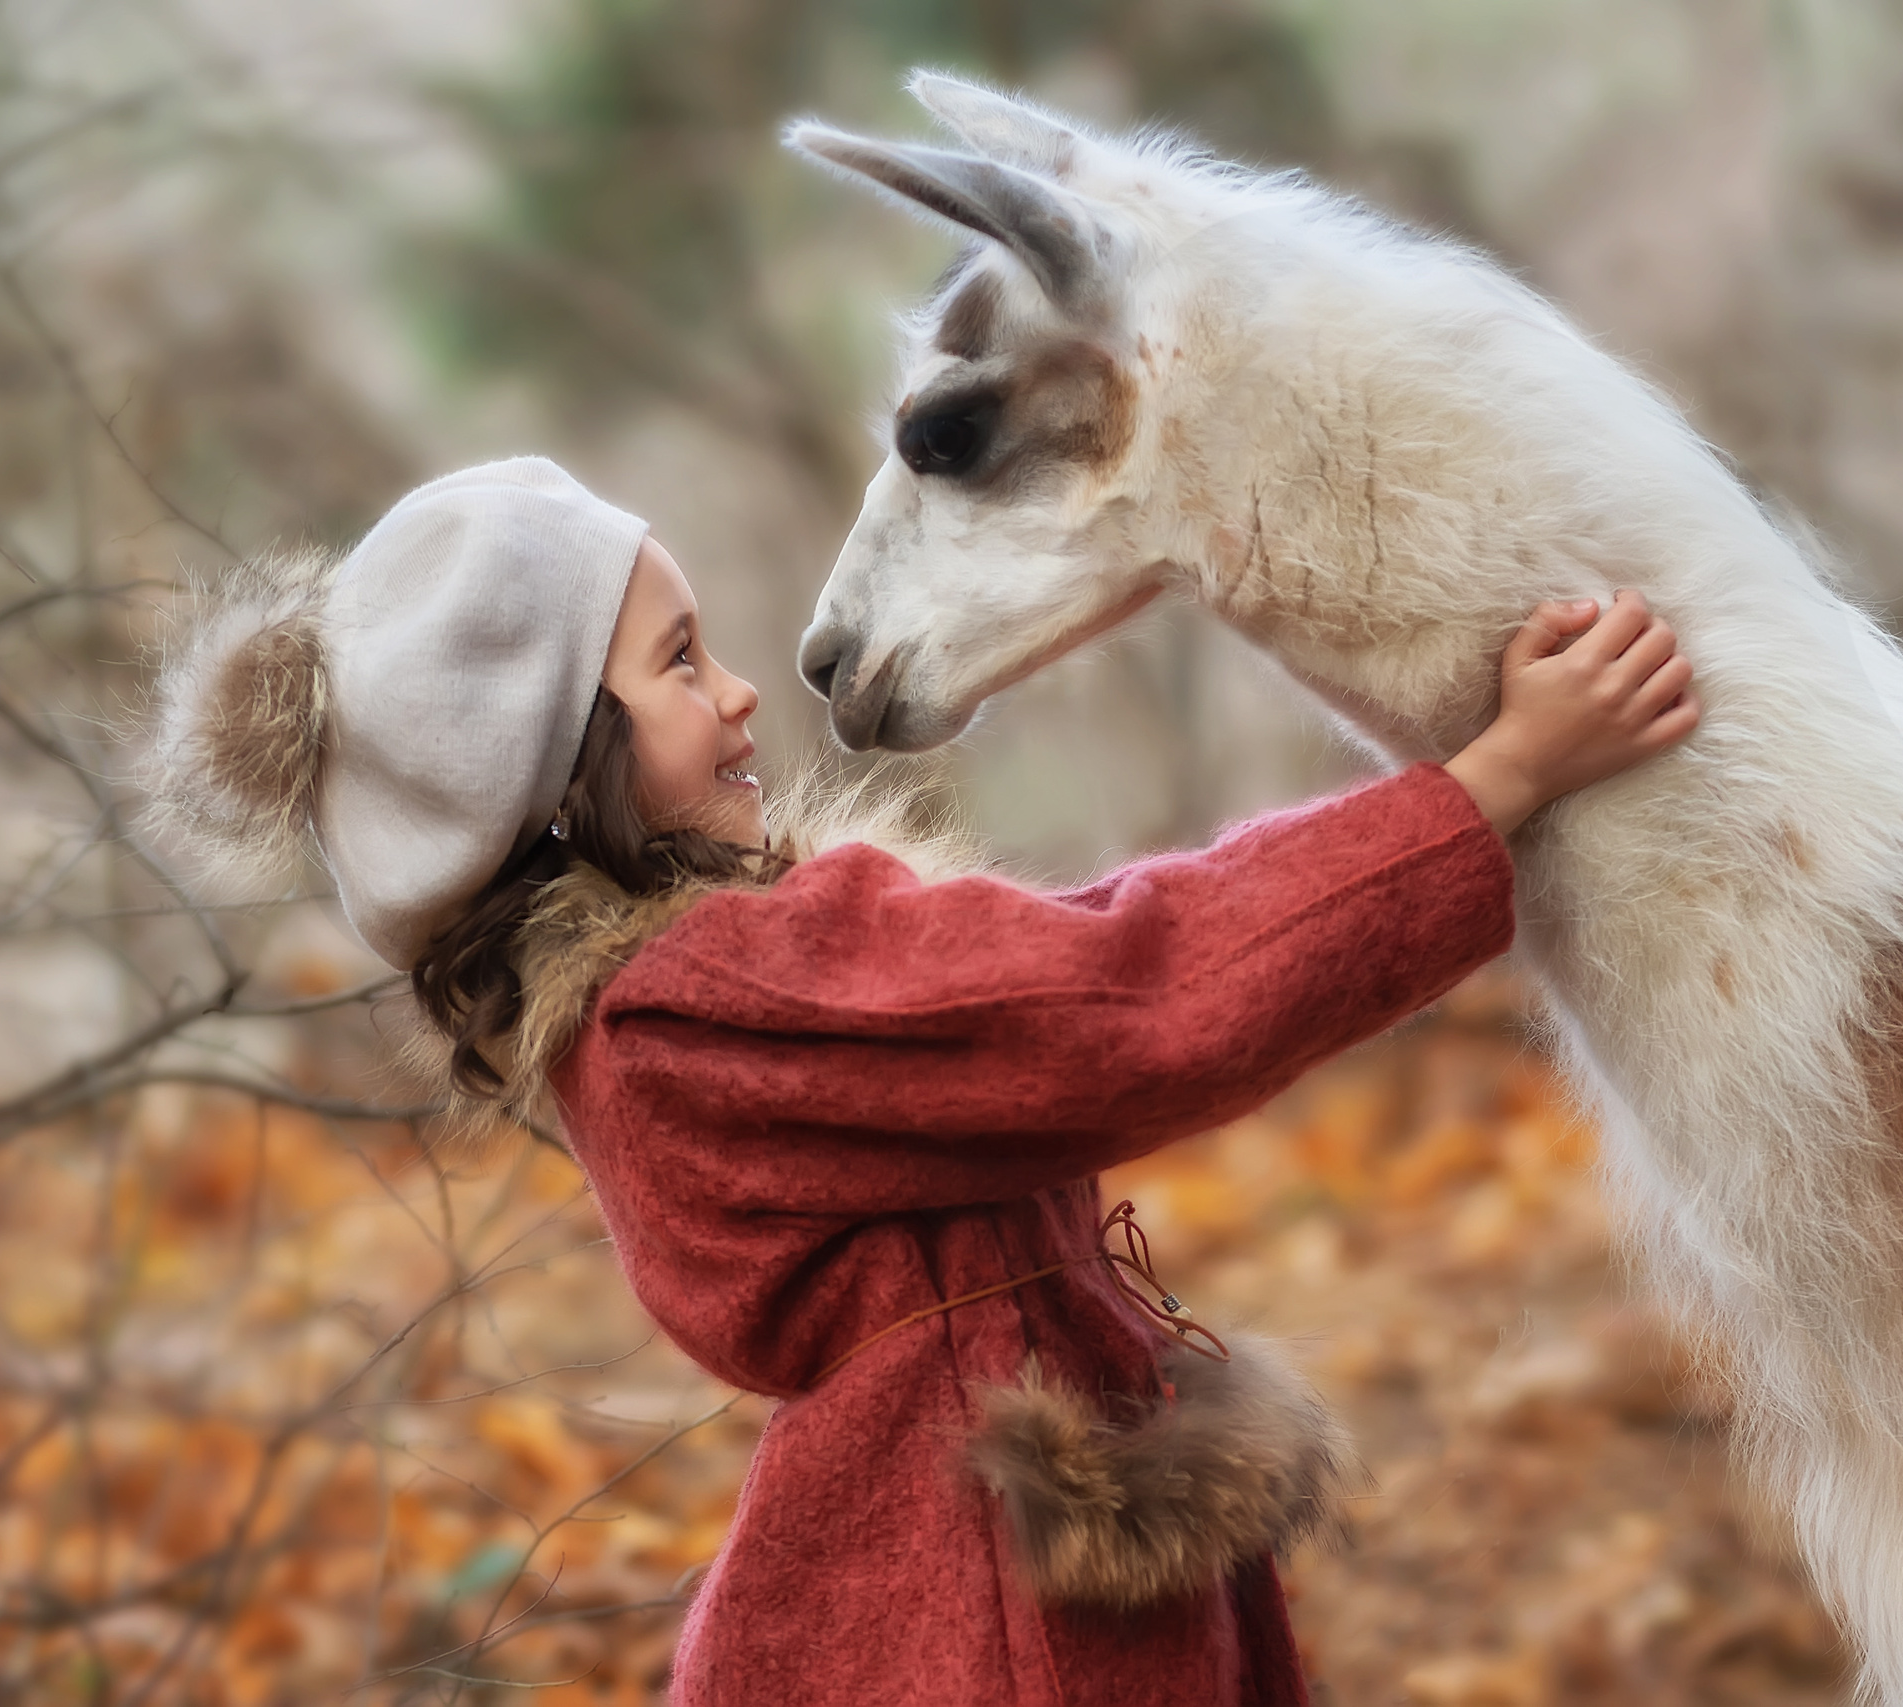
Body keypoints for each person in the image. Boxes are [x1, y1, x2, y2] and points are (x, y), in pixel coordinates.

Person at [147, 458, 1698, 1707]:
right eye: (678, 660)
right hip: (976, 1599)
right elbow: (1129, 993)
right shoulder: (717, 999)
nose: (744, 691)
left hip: (951, 1537)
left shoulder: (683, 994)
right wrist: (1494, 785)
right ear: (558, 778)